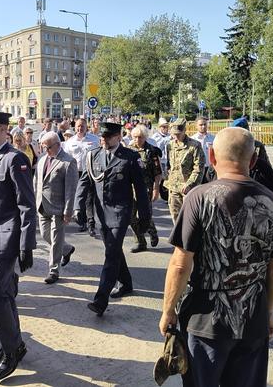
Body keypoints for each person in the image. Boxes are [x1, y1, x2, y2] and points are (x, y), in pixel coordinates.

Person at [160, 127, 273, 387]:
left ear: (211, 155)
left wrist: (168, 311)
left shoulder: (198, 198)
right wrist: (269, 312)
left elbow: (180, 264)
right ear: (253, 160)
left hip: (205, 321)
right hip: (253, 319)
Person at [0, 110, 36, 381]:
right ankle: (13, 345)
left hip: (7, 238)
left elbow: (26, 205)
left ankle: (11, 351)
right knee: (6, 294)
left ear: (3, 128)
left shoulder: (16, 159)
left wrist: (26, 245)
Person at [74, 122, 151, 316]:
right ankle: (126, 282)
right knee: (113, 251)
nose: (104, 140)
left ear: (118, 137)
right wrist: (78, 208)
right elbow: (85, 183)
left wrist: (145, 217)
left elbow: (141, 191)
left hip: (120, 212)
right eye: (103, 137)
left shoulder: (130, 158)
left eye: (109, 137)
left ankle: (101, 300)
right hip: (101, 213)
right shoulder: (93, 155)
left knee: (111, 255)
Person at [35, 132, 78, 284]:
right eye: (43, 147)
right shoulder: (42, 159)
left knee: (55, 238)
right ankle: (66, 249)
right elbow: (37, 182)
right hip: (42, 206)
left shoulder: (68, 161)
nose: (45, 150)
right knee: (47, 236)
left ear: (58, 145)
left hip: (58, 208)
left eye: (48, 147)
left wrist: (68, 210)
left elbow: (71, 189)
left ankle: (53, 271)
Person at [127, 124, 161, 252]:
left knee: (145, 215)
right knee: (130, 216)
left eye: (140, 137)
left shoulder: (151, 151)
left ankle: (152, 231)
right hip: (131, 189)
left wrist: (156, 189)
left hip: (146, 189)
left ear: (145, 137)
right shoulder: (129, 150)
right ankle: (140, 241)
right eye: (135, 137)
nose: (137, 140)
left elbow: (157, 173)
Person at [63, 118, 100, 235]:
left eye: (82, 126)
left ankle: (91, 224)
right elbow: (66, 159)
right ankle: (82, 222)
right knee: (79, 199)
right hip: (76, 173)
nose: (80, 128)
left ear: (86, 127)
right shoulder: (70, 142)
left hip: (89, 172)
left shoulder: (94, 140)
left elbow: (99, 155)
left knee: (90, 198)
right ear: (75, 127)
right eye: (78, 126)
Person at [164, 118, 205, 224]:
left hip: (188, 188)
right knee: (176, 217)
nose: (176, 136)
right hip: (173, 188)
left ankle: (189, 240)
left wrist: (190, 184)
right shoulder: (170, 145)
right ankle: (178, 240)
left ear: (184, 131)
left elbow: (199, 168)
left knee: (189, 219)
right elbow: (169, 165)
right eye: (174, 134)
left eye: (178, 134)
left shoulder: (194, 146)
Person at [190, 117, 215, 181]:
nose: (203, 126)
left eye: (205, 124)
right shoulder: (192, 139)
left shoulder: (213, 138)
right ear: (196, 126)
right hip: (196, 170)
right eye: (201, 125)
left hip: (210, 170)